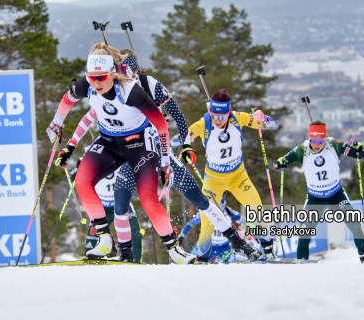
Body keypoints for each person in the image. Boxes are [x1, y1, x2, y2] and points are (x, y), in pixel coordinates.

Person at [46, 43, 194, 264]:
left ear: (113, 74)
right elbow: (68, 100)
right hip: (109, 143)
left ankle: (174, 250)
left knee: (148, 199)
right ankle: (105, 240)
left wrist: (165, 163)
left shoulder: (131, 91)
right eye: (91, 77)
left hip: (139, 144)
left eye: (101, 77)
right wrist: (56, 124)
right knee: (82, 180)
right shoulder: (87, 85)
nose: (96, 83)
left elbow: (161, 125)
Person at [111, 48, 256, 263]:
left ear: (135, 68)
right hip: (133, 157)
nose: (126, 75)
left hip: (160, 153)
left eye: (129, 70)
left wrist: (187, 146)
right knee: (120, 204)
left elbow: (178, 115)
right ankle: (125, 254)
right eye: (121, 71)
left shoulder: (150, 84)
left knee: (201, 201)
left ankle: (238, 242)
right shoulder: (113, 88)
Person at [188, 89, 276, 261]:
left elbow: (270, 125)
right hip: (213, 181)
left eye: (223, 116)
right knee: (207, 225)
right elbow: (180, 137)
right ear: (209, 111)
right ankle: (203, 261)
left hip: (238, 177)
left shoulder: (238, 118)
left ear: (229, 112)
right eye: (215, 116)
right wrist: (184, 143)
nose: (218, 120)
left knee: (257, 210)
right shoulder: (204, 123)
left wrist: (263, 118)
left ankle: (269, 252)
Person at [273, 120, 364, 263]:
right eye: (313, 141)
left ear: (325, 138)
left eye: (321, 141)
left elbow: (360, 155)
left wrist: (360, 150)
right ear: (309, 137)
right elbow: (280, 162)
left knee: (354, 223)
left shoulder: (333, 145)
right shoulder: (302, 150)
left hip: (336, 195)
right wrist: (280, 163)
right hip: (315, 198)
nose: (317, 145)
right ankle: (301, 264)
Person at [69, 158, 143, 263]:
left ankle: (136, 261)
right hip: (102, 205)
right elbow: (69, 177)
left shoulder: (121, 153)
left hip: (122, 202)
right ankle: (89, 259)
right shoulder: (92, 157)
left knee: (135, 234)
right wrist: (78, 169)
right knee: (93, 234)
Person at [178, 194, 260, 263]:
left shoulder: (229, 212)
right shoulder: (206, 211)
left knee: (231, 266)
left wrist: (255, 229)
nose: (218, 210)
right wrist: (181, 237)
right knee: (194, 264)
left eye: (221, 206)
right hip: (208, 246)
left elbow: (245, 221)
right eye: (216, 206)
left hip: (225, 247)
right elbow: (189, 224)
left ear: (224, 204)